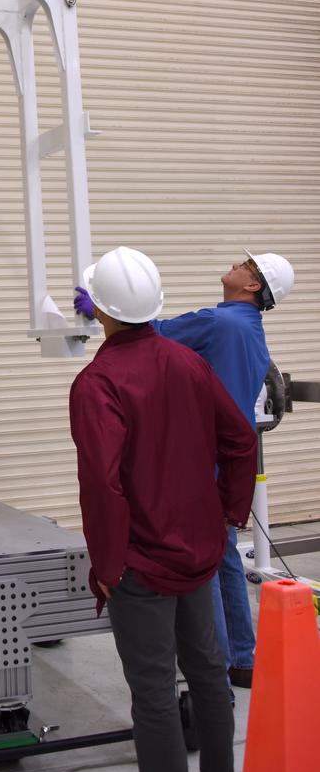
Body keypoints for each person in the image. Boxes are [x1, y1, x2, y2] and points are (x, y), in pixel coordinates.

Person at [69, 247, 256, 772]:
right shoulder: (187, 362)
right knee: (208, 675)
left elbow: (103, 484)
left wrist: (107, 566)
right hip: (198, 553)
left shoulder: (98, 382)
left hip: (143, 566)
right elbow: (239, 440)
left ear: (98, 308)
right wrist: (227, 515)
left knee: (152, 694)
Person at [75, 247, 294, 689]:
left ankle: (209, 683)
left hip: (200, 467)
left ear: (253, 286)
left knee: (203, 573)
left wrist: (102, 308)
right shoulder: (251, 329)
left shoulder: (220, 321)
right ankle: (242, 659)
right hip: (225, 465)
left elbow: (149, 332)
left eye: (245, 266)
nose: (235, 264)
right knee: (225, 559)